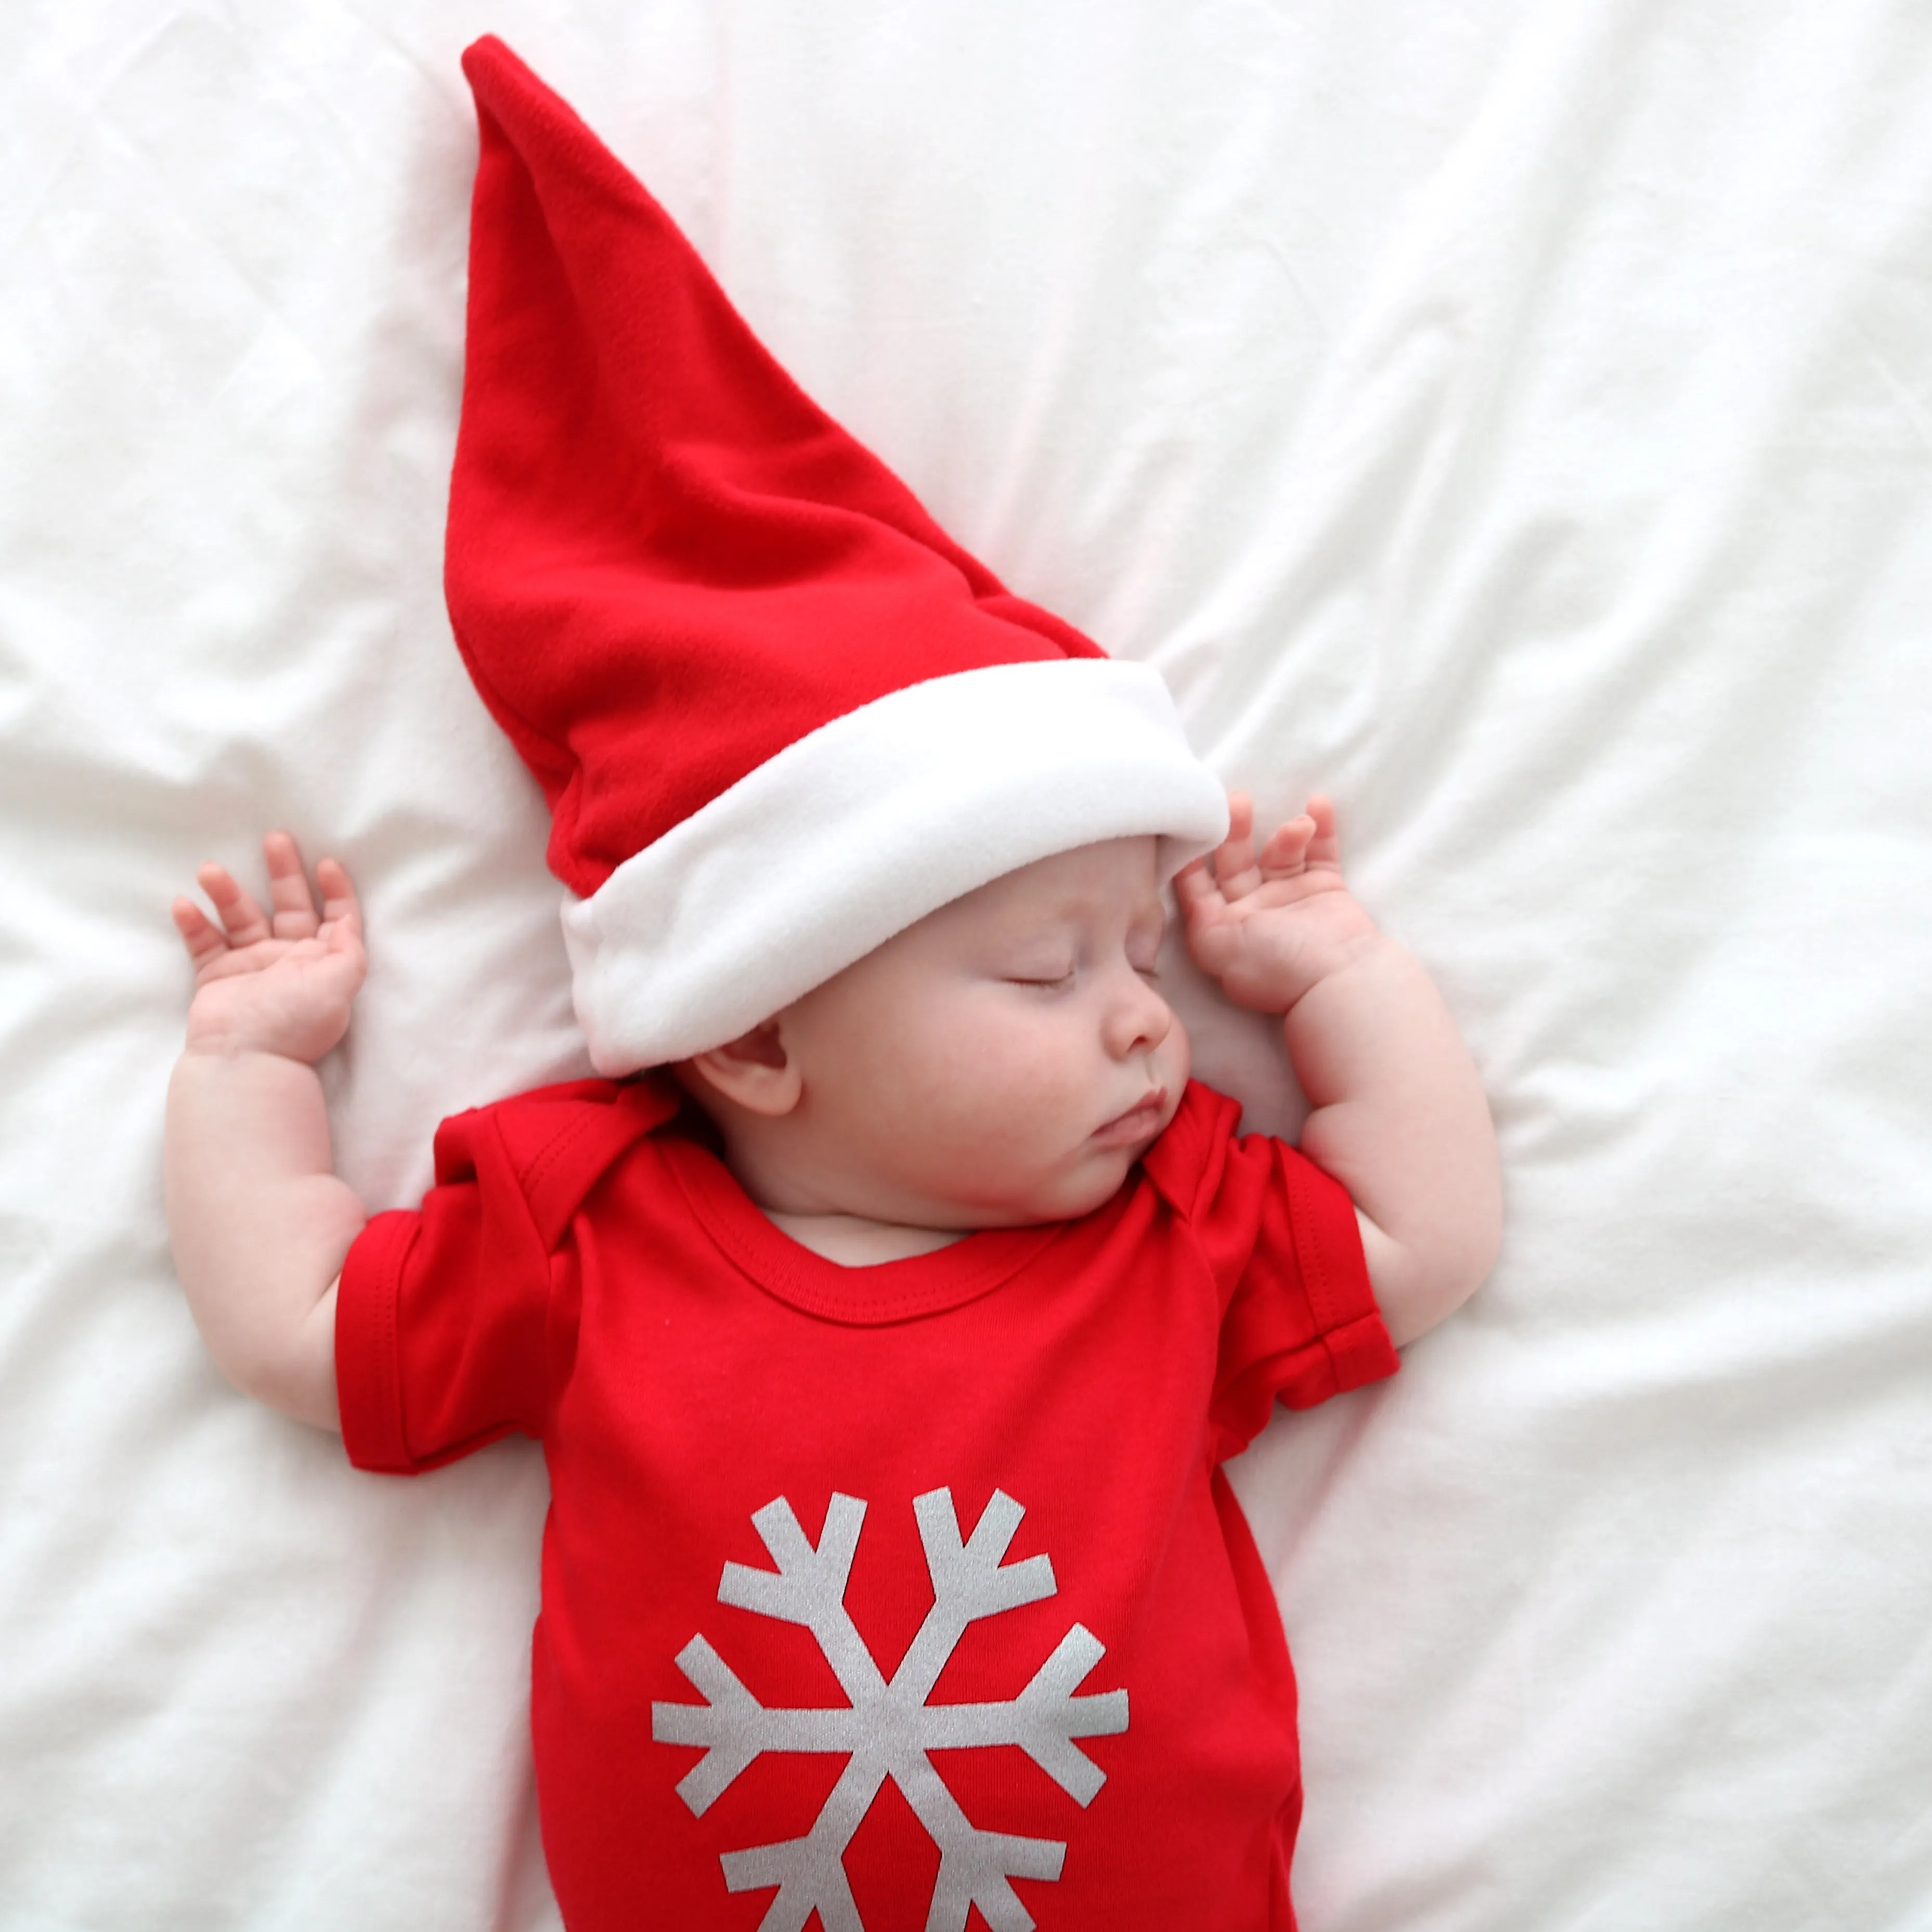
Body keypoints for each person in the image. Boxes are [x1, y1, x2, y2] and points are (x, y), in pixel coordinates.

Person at [164, 36, 1501, 1932]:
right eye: (1048, 968)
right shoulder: (590, 1233)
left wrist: (1334, 978)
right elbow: (302, 1327)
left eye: (1140, 951)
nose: (1146, 1014)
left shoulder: (1174, 1236)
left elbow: (1423, 1234)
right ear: (763, 1032)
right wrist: (249, 1065)